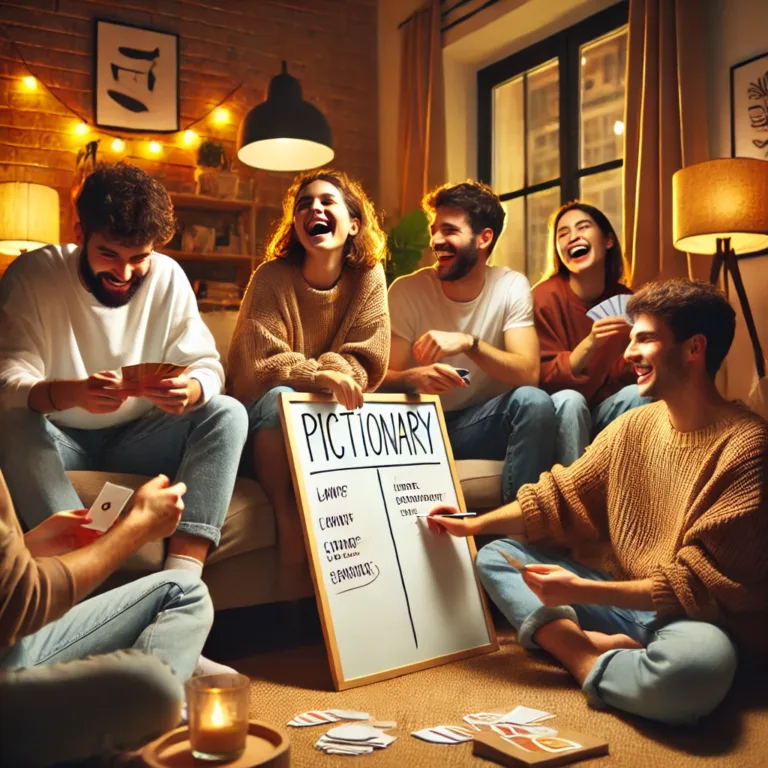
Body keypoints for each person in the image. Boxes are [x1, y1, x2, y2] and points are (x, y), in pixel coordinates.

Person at [428, 279, 767, 726]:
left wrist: (580, 591)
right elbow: (558, 495)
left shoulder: (747, 447)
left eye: (644, 338)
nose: (628, 353)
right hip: (623, 602)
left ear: (694, 348)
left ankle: (584, 658)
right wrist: (474, 525)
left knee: (694, 673)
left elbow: (695, 590)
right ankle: (582, 651)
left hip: (696, 620)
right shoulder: (636, 426)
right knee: (497, 555)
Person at [0, 163, 248, 586]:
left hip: (139, 438)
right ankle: (83, 573)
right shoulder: (34, 274)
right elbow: (7, 378)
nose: (124, 273)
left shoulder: (168, 277)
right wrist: (70, 392)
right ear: (80, 233)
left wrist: (188, 390)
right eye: (109, 255)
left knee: (227, 412)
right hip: (56, 437)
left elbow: (207, 365)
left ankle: (179, 586)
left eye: (140, 259)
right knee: (11, 418)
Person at [227, 170, 390, 566]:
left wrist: (334, 373)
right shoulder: (269, 278)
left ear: (354, 224)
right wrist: (319, 377)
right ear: (296, 226)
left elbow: (369, 359)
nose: (313, 208)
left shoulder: (369, 277)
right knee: (283, 398)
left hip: (326, 417)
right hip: (259, 420)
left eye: (326, 201)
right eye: (304, 205)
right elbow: (257, 364)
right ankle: (289, 522)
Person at [0, 470, 214, 767]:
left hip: (13, 644)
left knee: (182, 590)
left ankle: (133, 743)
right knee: (151, 685)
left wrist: (29, 547)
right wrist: (136, 528)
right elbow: (24, 601)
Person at [384, 181, 555, 504]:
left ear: (484, 238)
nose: (436, 241)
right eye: (434, 230)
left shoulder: (510, 286)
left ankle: (521, 534)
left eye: (449, 231)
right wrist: (413, 378)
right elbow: (381, 380)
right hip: (423, 424)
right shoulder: (407, 292)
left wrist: (468, 342)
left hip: (482, 424)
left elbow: (528, 373)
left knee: (534, 401)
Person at [533, 202, 649, 466]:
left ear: (608, 240)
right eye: (562, 234)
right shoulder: (543, 297)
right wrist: (591, 343)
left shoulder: (625, 300)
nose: (573, 236)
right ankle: (573, 500)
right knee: (570, 401)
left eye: (583, 227)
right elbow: (544, 380)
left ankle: (633, 492)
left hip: (605, 412)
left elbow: (627, 374)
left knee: (638, 393)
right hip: (561, 414)